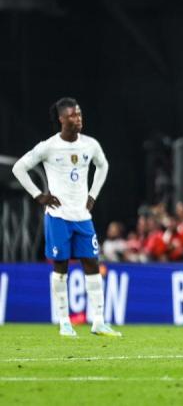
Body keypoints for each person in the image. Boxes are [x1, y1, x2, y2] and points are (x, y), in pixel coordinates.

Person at [11, 97, 121, 337]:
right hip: (58, 216)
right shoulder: (49, 146)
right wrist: (39, 195)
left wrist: (93, 194)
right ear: (61, 119)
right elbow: (18, 167)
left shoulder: (90, 145)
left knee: (92, 263)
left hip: (82, 216)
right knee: (61, 267)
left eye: (79, 114)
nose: (78, 118)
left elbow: (103, 166)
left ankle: (99, 321)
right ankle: (64, 322)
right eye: (72, 115)